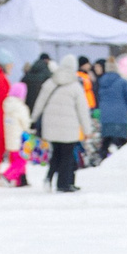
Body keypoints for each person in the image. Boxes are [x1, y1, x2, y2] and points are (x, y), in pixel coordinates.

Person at [33, 54, 91, 191]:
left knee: (56, 153)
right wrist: (87, 130)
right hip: (69, 127)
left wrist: (34, 119)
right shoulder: (76, 86)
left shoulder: (50, 82)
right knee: (67, 155)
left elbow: (39, 103)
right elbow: (83, 110)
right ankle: (63, 184)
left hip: (51, 125)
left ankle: (48, 178)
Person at [95, 57, 127, 162]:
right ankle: (123, 160)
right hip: (120, 113)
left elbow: (98, 97)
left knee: (106, 138)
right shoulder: (122, 82)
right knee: (121, 140)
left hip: (105, 114)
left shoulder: (101, 82)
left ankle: (102, 158)